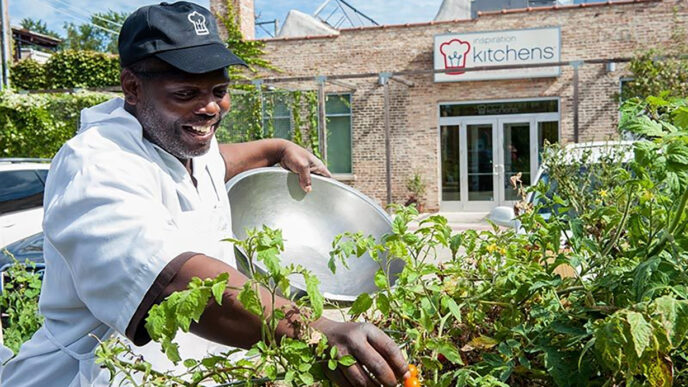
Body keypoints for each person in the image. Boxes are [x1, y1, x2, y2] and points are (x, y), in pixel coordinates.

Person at [0, 2, 408, 386]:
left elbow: (223, 161)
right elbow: (176, 283)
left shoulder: (184, 146)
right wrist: (315, 331)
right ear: (132, 87)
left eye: (218, 90)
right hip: (94, 376)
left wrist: (278, 148)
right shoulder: (96, 164)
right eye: (186, 93)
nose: (211, 108)